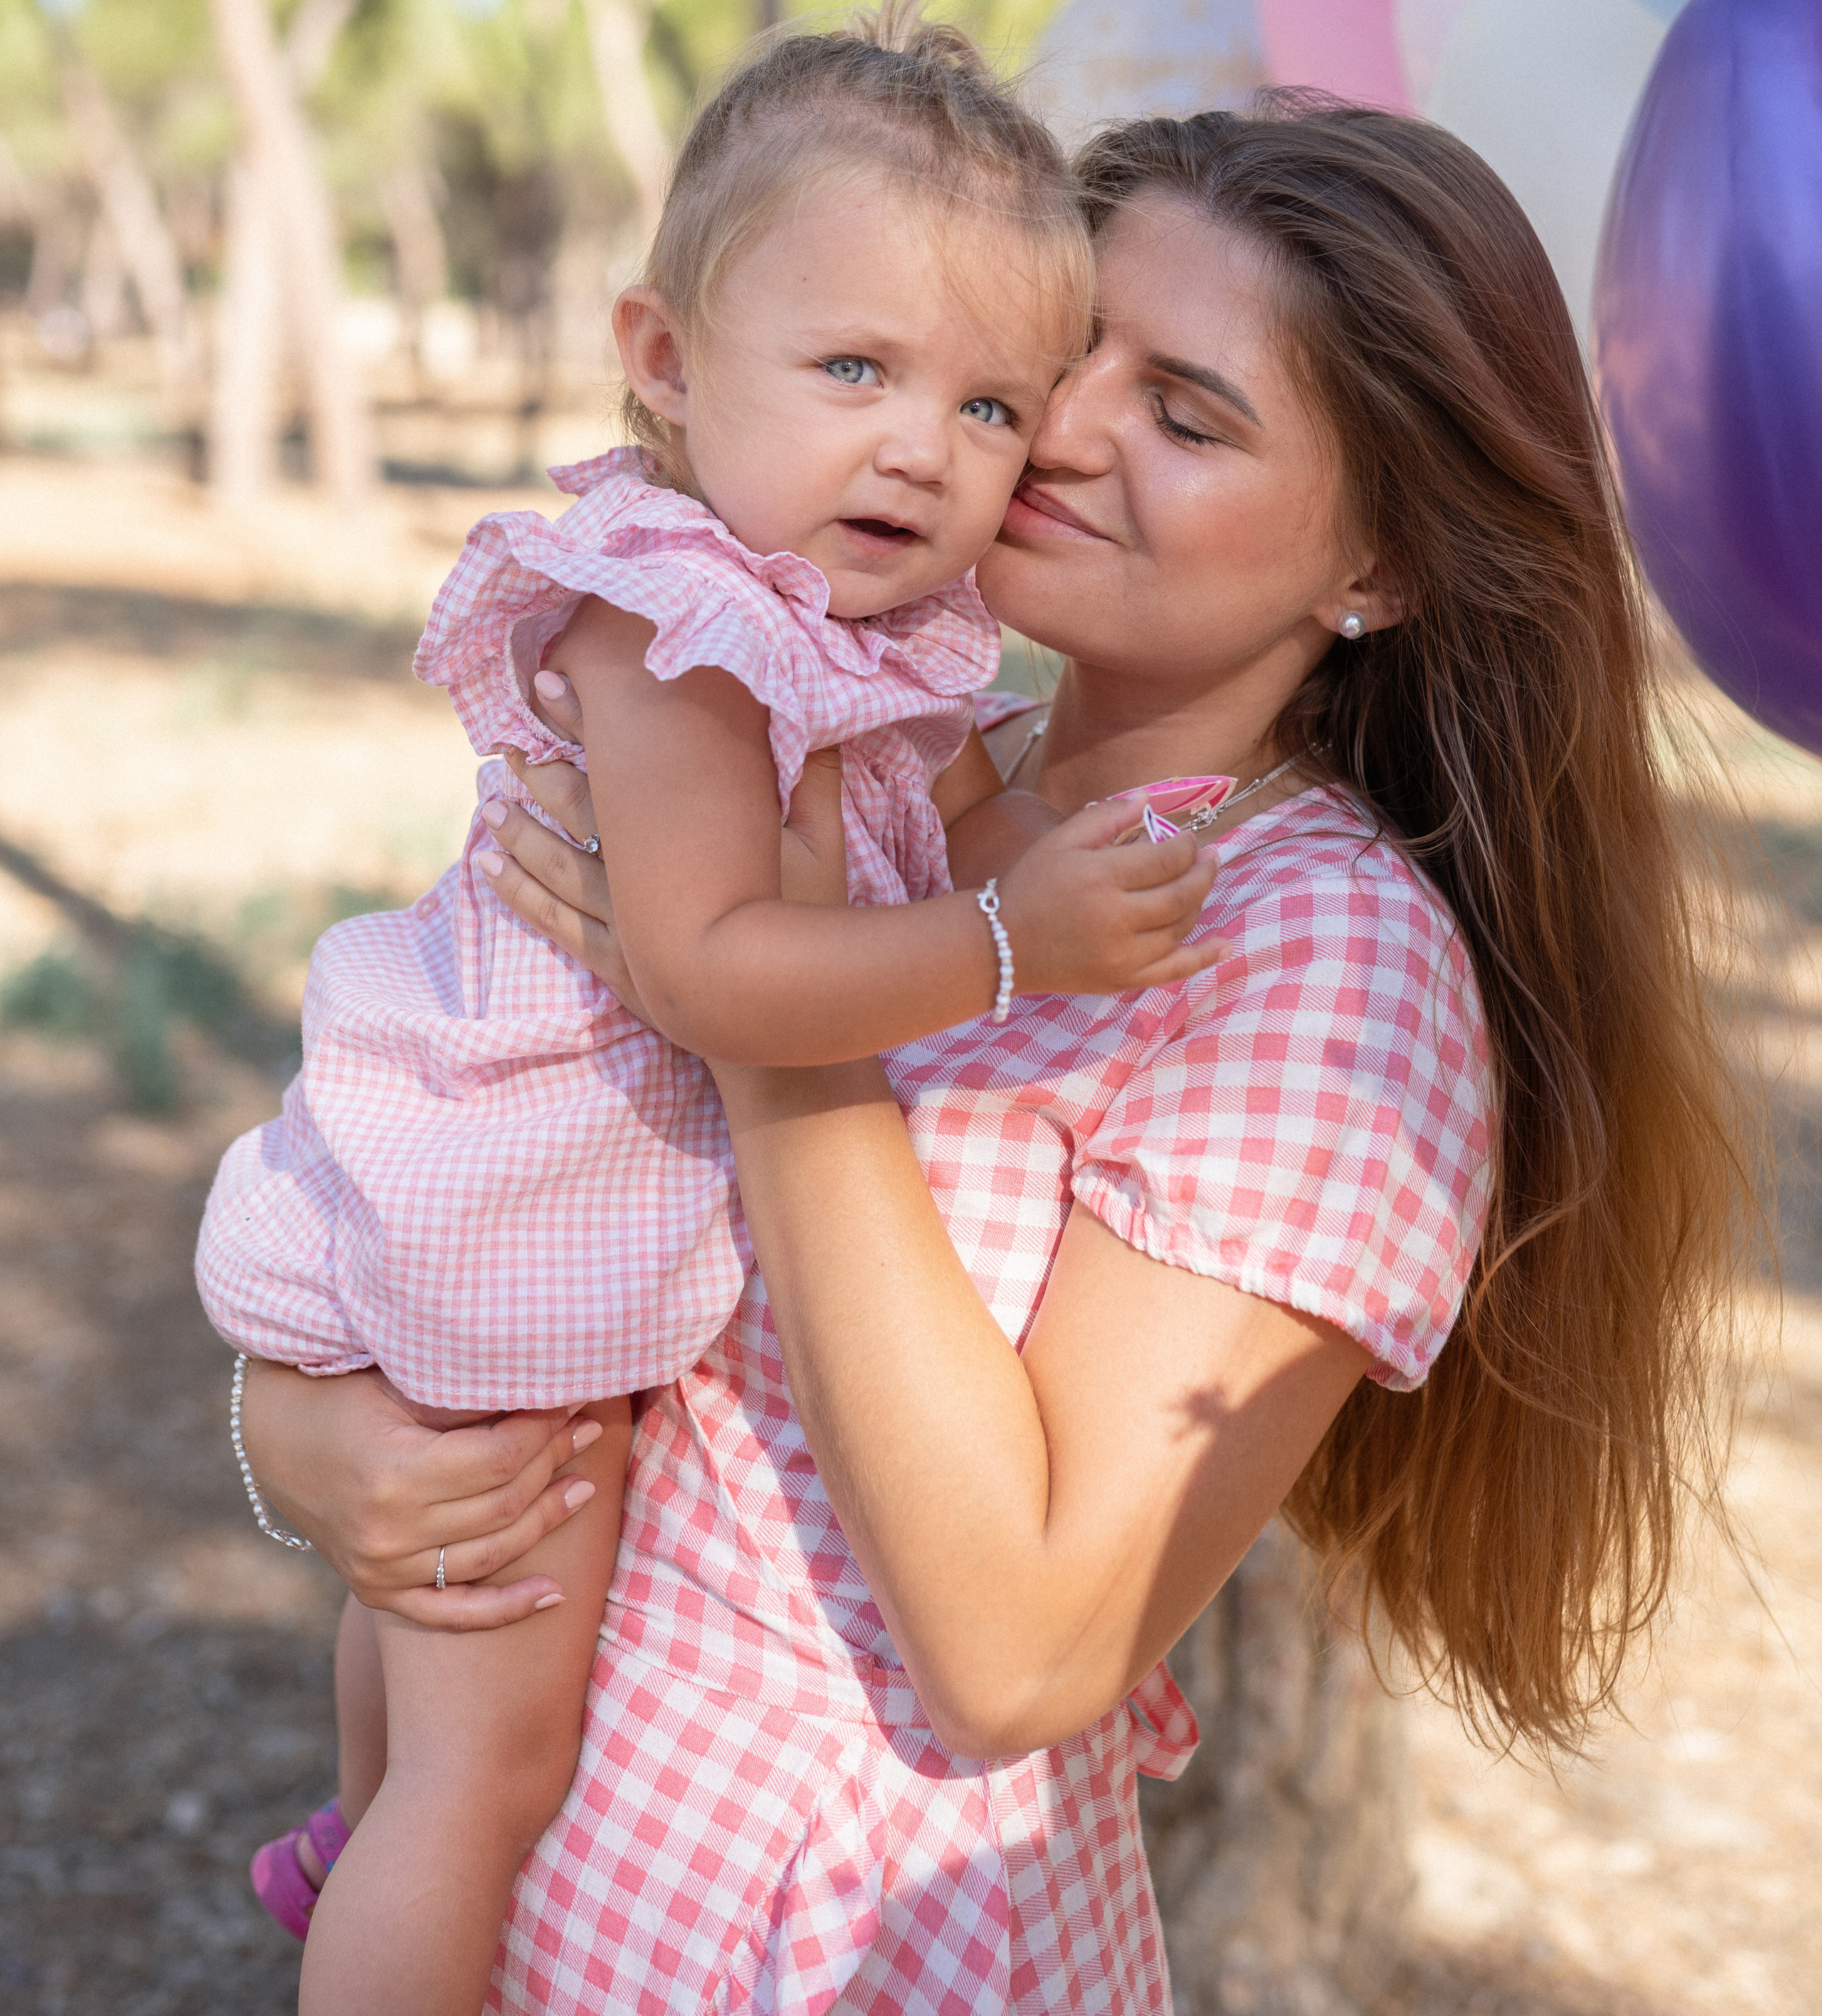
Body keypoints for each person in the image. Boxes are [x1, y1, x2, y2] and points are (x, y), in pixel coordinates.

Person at [236, 102, 1747, 2015]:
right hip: (559, 1850)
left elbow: (1027, 1643)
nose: (1064, 432)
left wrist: (773, 1020)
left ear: (1376, 564)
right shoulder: (903, 754)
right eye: (1066, 357)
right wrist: (310, 1438)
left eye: (1188, 414)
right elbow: (484, 1152)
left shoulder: (1320, 958)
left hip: (825, 1935)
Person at [198, 5, 1229, 2016]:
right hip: (524, 1225)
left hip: (529, 1216)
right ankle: (379, 1885)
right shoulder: (678, 633)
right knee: (491, 1778)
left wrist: (1018, 830)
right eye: (856, 370)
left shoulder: (843, 633)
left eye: (994, 406)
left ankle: (354, 1817)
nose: (925, 449)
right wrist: (1021, 940)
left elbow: (927, 816)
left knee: (432, 1692)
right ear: (665, 363)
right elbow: (709, 965)